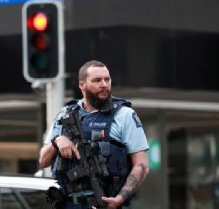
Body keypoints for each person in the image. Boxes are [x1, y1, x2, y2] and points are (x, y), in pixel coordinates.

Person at [39, 60, 149, 209]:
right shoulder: (65, 114)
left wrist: (119, 199)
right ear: (82, 85)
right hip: (69, 204)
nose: (104, 84)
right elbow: (43, 161)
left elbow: (141, 165)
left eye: (107, 79)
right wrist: (56, 141)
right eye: (97, 80)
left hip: (107, 203)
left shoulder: (124, 115)